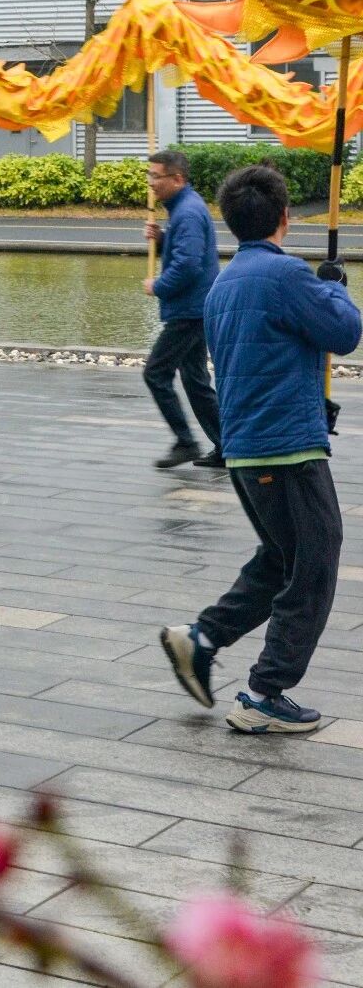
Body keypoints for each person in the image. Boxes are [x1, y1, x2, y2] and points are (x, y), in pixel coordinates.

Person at [160, 164, 360, 734]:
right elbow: (345, 333)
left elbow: (267, 354)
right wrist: (333, 287)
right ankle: (264, 694)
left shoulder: (225, 283)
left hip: (247, 447)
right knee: (316, 562)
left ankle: (203, 638)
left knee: (281, 558)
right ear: (284, 217)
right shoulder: (285, 275)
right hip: (286, 450)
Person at [142, 149, 223, 469]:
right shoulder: (183, 208)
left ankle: (186, 442)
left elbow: (188, 266)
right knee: (196, 380)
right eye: (149, 175)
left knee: (156, 372)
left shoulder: (187, 212)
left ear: (177, 179)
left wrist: (158, 286)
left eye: (156, 176)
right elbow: (185, 252)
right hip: (196, 308)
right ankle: (228, 446)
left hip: (190, 311)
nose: (151, 182)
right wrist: (162, 239)